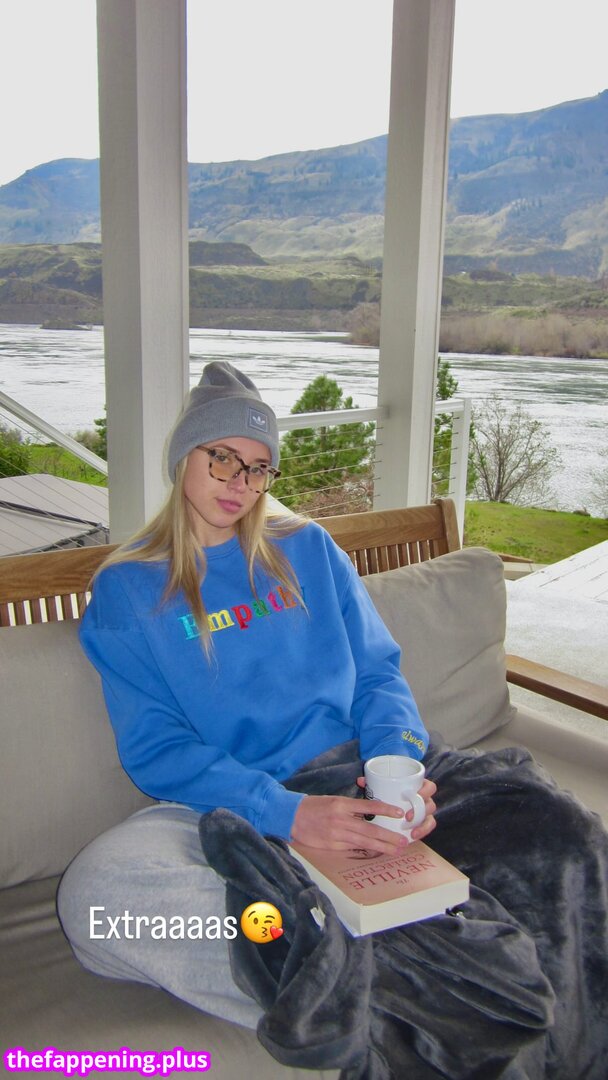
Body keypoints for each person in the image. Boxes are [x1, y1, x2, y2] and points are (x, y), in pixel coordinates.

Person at [57, 360, 437, 1028]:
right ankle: (356, 983)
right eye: (222, 458)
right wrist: (285, 813)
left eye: (259, 468)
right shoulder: (129, 588)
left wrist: (396, 772)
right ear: (182, 458)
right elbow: (158, 748)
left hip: (350, 779)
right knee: (96, 896)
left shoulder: (310, 549)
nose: (240, 483)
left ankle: (351, 951)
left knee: (551, 831)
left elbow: (379, 673)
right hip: (230, 805)